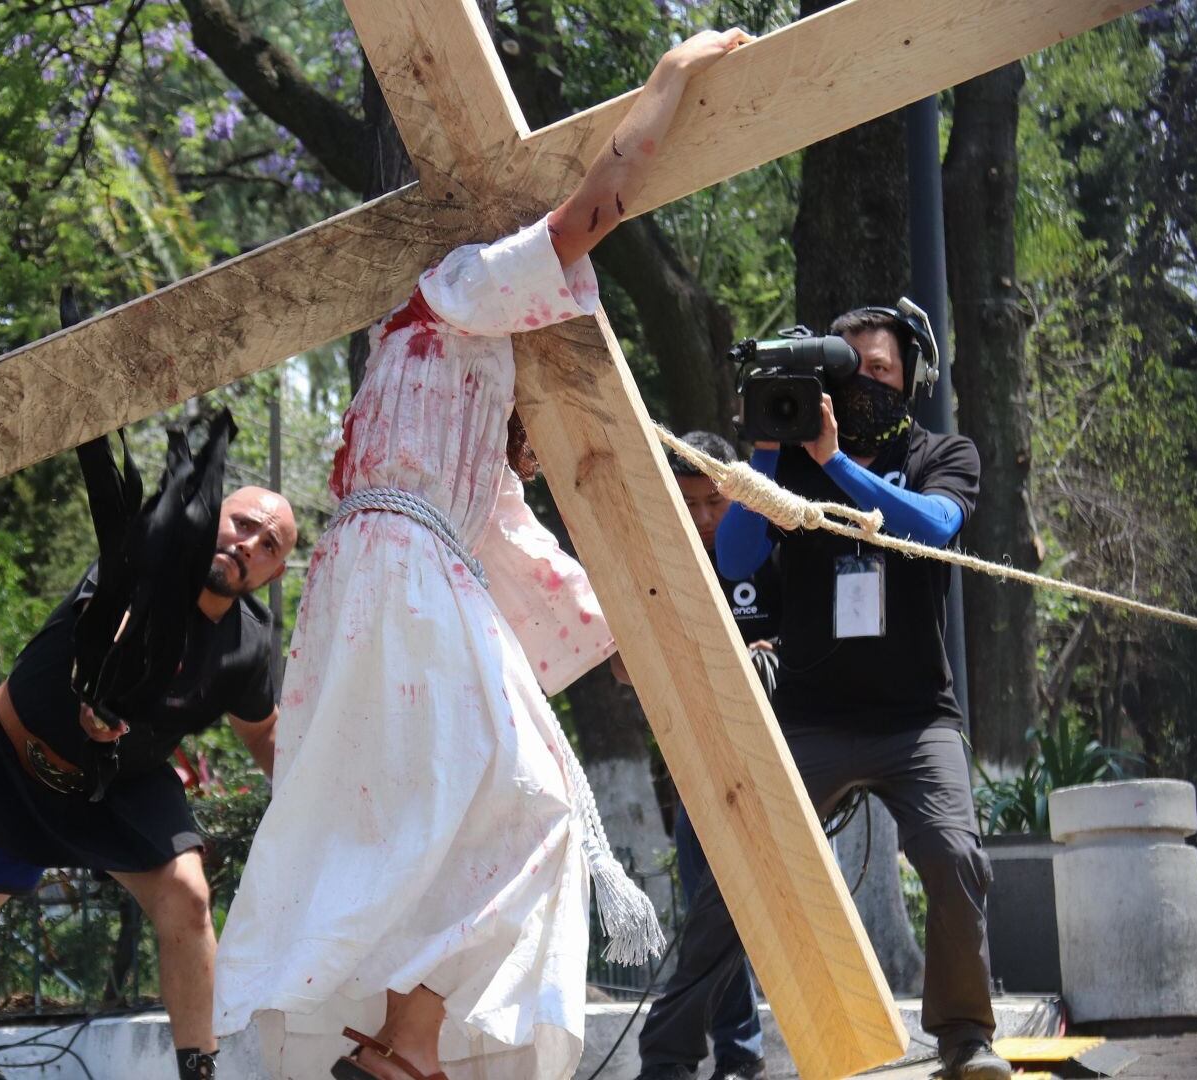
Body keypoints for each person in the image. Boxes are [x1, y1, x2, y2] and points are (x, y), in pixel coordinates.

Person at [211, 29, 754, 1080]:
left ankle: (400, 1044)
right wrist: (670, 80)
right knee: (529, 799)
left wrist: (642, 616)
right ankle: (408, 1043)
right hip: (398, 588)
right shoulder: (458, 292)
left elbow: (540, 567)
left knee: (432, 816)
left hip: (379, 592)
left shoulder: (449, 438)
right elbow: (592, 212)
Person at [634, 305, 1011, 1080]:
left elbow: (933, 528)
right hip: (812, 719)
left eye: (881, 369)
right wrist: (769, 453)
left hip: (916, 721)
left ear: (912, 377)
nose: (865, 381)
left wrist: (838, 465)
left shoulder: (944, 452)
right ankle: (667, 1058)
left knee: (954, 854)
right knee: (739, 873)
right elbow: (737, 557)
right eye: (850, 368)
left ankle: (965, 1039)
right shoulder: (791, 466)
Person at [0, 485, 297, 1080]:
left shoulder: (248, 642)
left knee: (188, 896)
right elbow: (109, 637)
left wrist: (317, 804)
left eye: (269, 545)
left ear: (273, 573)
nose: (249, 545)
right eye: (242, 524)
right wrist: (101, 697)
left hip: (124, 786)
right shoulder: (140, 562)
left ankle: (199, 1072)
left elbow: (264, 734)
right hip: (15, 769)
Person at [656, 431, 782, 1080]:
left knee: (789, 909)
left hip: (788, 762)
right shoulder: (660, 560)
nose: (705, 519)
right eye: (689, 505)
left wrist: (769, 655)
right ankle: (739, 1053)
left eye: (715, 503)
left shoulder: (769, 545)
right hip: (702, 763)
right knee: (711, 909)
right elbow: (625, 667)